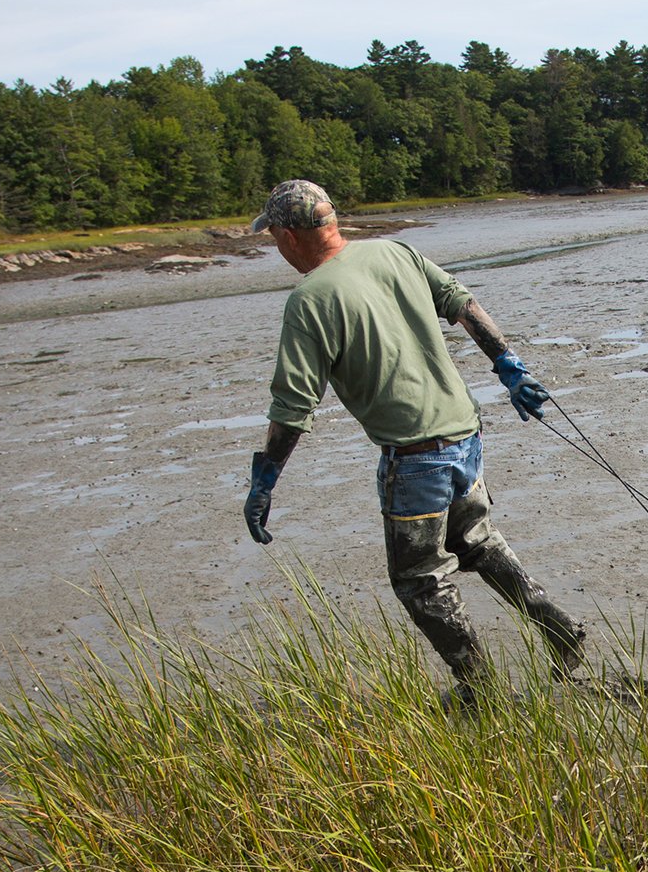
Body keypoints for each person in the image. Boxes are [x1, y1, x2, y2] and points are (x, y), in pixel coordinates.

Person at [240, 178, 586, 699]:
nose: (277, 247)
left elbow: (293, 408)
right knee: (475, 541)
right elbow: (462, 303)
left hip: (417, 457)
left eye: (274, 237)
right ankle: (560, 632)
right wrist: (509, 367)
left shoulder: (308, 300)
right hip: (465, 434)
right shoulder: (392, 251)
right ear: (331, 222)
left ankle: (480, 689)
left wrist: (264, 480)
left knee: (419, 579)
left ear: (289, 235)